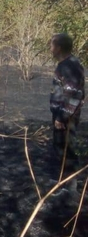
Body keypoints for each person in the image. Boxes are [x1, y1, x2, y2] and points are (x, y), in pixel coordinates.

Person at [49, 33, 85, 170]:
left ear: (58, 47)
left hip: (67, 117)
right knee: (60, 147)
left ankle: (69, 187)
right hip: (62, 114)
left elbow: (74, 95)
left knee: (67, 149)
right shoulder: (65, 64)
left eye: (52, 46)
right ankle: (62, 182)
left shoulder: (70, 67)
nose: (51, 49)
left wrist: (61, 117)